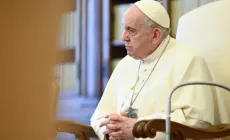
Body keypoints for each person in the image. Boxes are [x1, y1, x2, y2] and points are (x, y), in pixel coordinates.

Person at [90, 0, 229, 140]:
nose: (123, 37)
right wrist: (110, 131)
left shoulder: (188, 60)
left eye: (131, 30)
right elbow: (100, 115)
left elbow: (196, 120)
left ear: (155, 35)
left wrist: (138, 128)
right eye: (124, 28)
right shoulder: (125, 63)